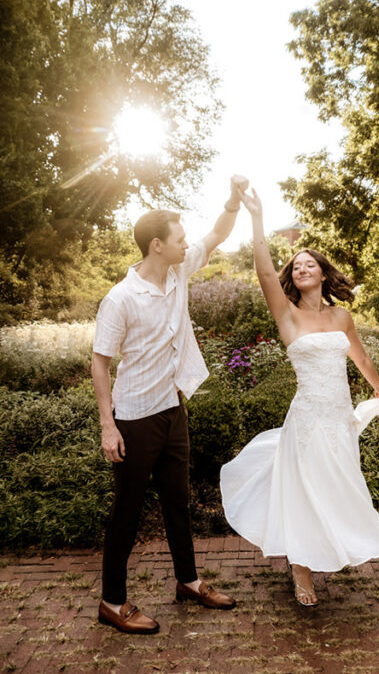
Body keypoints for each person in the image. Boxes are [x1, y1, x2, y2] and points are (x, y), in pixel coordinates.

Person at [219, 188, 379, 607]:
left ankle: (330, 546)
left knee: (338, 486)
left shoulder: (340, 316)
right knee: (303, 488)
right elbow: (265, 274)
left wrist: (377, 384)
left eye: (308, 263)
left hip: (339, 419)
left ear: (322, 272)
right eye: (295, 265)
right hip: (306, 419)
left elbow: (359, 354)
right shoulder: (287, 314)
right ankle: (301, 570)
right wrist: (257, 219)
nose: (301, 268)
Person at [92, 178, 246, 634]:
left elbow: (217, 234)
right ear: (156, 246)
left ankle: (189, 582)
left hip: (172, 408)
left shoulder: (177, 272)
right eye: (179, 239)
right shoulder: (119, 299)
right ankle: (112, 602)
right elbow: (100, 363)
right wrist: (108, 426)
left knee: (178, 502)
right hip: (134, 417)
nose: (186, 244)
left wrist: (232, 201)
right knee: (129, 509)